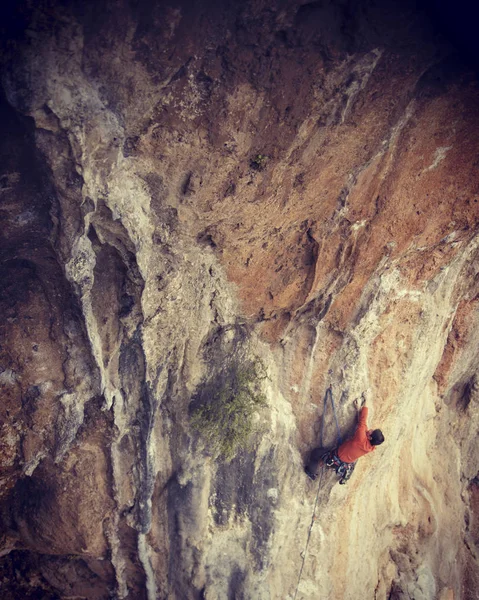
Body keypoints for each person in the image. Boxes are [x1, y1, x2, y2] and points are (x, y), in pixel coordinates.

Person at [305, 397, 384, 484]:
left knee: (316, 453)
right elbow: (363, 427)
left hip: (335, 457)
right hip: (345, 463)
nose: (371, 429)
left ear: (370, 437)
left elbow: (363, 422)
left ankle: (310, 472)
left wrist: (367, 399)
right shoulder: (371, 447)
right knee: (349, 463)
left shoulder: (361, 438)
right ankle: (345, 475)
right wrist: (358, 410)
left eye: (372, 432)